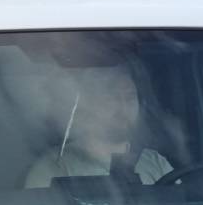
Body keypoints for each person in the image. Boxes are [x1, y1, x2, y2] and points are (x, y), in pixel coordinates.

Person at [24, 63, 174, 188]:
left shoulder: (156, 163)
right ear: (91, 104)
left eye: (130, 97)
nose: (123, 106)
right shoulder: (53, 167)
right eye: (112, 97)